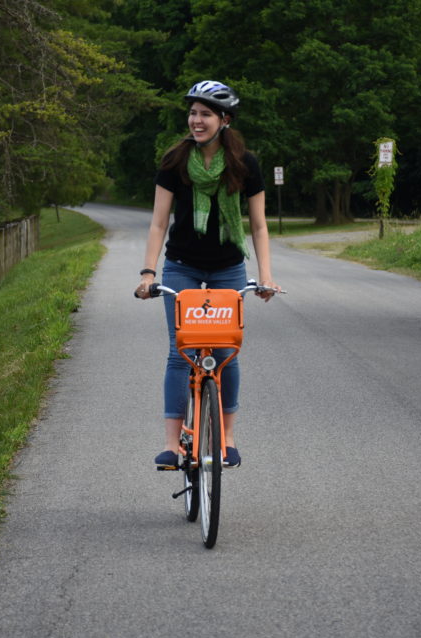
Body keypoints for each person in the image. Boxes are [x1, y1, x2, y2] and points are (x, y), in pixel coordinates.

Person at [135, 80, 280, 470]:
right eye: (193, 113)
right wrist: (149, 273)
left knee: (225, 353)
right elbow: (158, 222)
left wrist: (265, 276)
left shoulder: (244, 164)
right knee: (179, 352)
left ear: (224, 120)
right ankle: (172, 445)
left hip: (228, 267)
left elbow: (260, 226)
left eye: (205, 114)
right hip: (181, 265)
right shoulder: (175, 161)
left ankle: (227, 438)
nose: (196, 121)